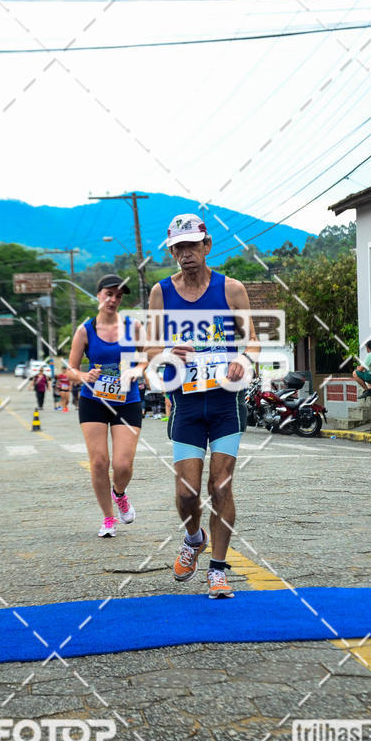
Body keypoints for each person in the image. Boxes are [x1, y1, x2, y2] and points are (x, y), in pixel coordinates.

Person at [147, 213, 259, 599]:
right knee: (186, 493)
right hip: (186, 404)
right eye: (179, 248)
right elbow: (147, 347)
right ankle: (193, 538)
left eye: (192, 245)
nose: (186, 254)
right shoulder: (162, 292)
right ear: (172, 251)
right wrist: (164, 351)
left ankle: (218, 568)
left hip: (227, 401)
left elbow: (254, 342)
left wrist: (243, 360)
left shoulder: (232, 289)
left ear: (207, 246)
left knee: (221, 485)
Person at [67, 274, 146, 539]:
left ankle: (119, 494)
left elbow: (147, 358)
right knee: (99, 462)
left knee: (123, 465)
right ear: (98, 295)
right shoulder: (85, 330)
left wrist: (137, 371)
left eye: (118, 296)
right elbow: (70, 369)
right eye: (108, 294)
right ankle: (108, 517)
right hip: (94, 401)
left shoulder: (133, 326)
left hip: (127, 401)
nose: (113, 299)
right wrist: (83, 376)